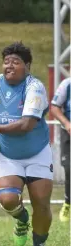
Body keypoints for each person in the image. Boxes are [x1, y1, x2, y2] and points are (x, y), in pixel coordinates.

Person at [0, 42, 53, 246]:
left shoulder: (34, 87)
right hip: (7, 154)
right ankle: (22, 220)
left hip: (37, 153)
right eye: (6, 62)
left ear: (27, 65)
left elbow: (26, 124)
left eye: (15, 62)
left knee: (42, 204)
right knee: (7, 199)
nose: (9, 66)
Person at [50, 77, 70, 222]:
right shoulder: (66, 84)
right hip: (68, 133)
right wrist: (67, 123)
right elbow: (54, 107)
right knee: (69, 169)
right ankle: (68, 203)